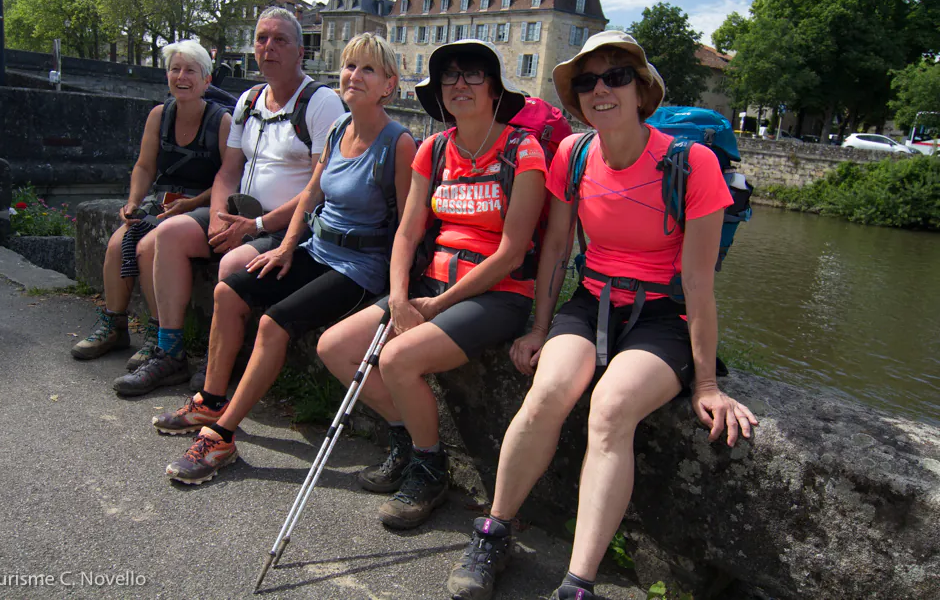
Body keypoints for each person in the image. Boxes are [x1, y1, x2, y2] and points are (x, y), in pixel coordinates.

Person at [445, 31, 759, 600]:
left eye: (616, 77)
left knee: (611, 410)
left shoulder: (693, 164)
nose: (600, 89)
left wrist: (706, 382)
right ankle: (493, 531)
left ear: (642, 91)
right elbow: (558, 249)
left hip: (662, 316)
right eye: (587, 81)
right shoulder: (576, 153)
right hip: (591, 302)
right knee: (546, 394)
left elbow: (698, 282)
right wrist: (540, 327)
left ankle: (578, 582)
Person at [154, 32, 416, 485]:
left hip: (359, 267)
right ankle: (211, 400)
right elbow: (312, 196)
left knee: (274, 323)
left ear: (388, 85)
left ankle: (221, 435)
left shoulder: (399, 143)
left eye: (368, 69)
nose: (354, 76)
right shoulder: (338, 129)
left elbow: (409, 226)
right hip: (316, 248)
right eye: (350, 66)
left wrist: (398, 289)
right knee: (229, 291)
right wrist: (284, 245)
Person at [317, 39, 548, 530]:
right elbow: (407, 230)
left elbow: (511, 251)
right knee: (335, 347)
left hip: (495, 295)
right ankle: (405, 439)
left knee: (398, 360)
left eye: (473, 76)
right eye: (450, 78)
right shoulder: (434, 149)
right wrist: (400, 297)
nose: (460, 85)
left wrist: (438, 303)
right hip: (427, 288)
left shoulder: (522, 151)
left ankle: (429, 466)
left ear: (494, 90)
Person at [110, 7, 344, 396]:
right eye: (262, 39)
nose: (269, 48)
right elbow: (228, 171)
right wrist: (220, 219)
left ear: (300, 52)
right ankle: (170, 352)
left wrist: (254, 227)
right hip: (238, 215)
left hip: (287, 226)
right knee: (168, 234)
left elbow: (317, 189)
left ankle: (223, 360)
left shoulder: (321, 104)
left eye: (280, 40)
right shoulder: (249, 100)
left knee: (235, 261)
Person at [71, 39, 229, 368]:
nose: (181, 77)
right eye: (175, 69)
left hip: (201, 202)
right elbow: (145, 166)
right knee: (118, 244)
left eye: (190, 71)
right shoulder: (160, 116)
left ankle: (159, 336)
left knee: (149, 247)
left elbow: (227, 179)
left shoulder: (220, 122)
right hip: (165, 200)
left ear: (206, 80)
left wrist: (190, 204)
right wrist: (133, 202)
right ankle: (114, 325)